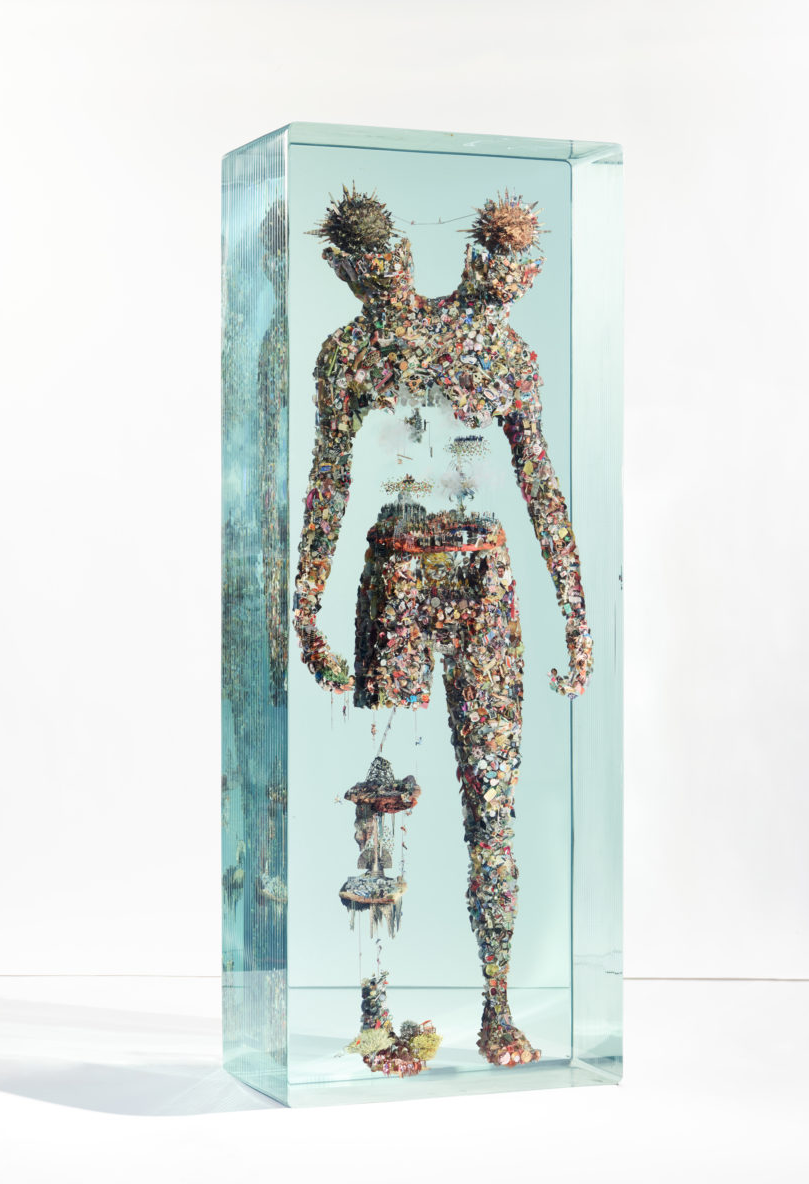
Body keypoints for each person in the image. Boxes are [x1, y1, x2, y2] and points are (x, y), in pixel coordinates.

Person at [293, 188, 592, 1067]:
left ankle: (497, 1005)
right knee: (381, 798)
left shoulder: (500, 348)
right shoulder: (352, 351)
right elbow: (327, 484)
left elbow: (540, 487)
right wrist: (305, 606)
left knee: (489, 799)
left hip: (476, 576)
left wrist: (576, 615)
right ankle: (377, 1012)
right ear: (350, 268)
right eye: (370, 255)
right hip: (395, 574)